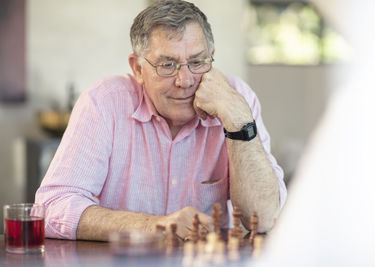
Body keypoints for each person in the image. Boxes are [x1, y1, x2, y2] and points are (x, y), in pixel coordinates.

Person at [35, 0, 287, 241]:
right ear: (137, 68)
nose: (185, 80)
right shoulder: (104, 102)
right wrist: (152, 226)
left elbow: (264, 218)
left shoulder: (236, 99)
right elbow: (52, 207)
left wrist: (238, 119)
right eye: (167, 65)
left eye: (197, 62)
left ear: (211, 57)